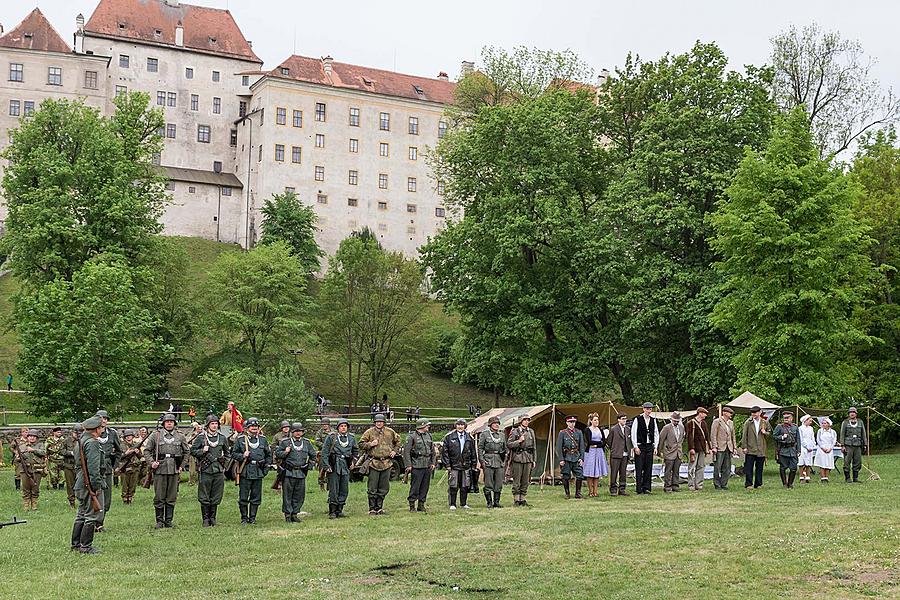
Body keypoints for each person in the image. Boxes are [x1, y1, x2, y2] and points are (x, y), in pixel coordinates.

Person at [144, 412, 190, 528]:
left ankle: (168, 520)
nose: (169, 424)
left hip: (174, 469)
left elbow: (186, 451)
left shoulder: (180, 436)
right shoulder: (156, 435)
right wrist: (151, 462)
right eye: (167, 422)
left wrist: (181, 466)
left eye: (171, 422)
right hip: (160, 468)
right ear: (163, 423)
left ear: (175, 423)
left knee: (171, 496)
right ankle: (159, 521)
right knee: (159, 496)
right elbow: (147, 451)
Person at [72, 416, 106, 554]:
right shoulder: (92, 443)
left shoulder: (81, 441)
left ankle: (76, 544)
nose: (102, 430)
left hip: (80, 482)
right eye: (101, 427)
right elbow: (93, 468)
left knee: (81, 514)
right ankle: (85, 546)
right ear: (97, 429)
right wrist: (96, 486)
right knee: (91, 515)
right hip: (88, 483)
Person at [231, 417, 271, 525]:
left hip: (258, 471)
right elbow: (233, 454)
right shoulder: (240, 440)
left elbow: (268, 455)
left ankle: (252, 518)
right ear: (247, 428)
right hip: (245, 471)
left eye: (256, 427)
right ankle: (244, 518)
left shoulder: (263, 439)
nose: (254, 428)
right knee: (243, 497)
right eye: (252, 427)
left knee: (256, 496)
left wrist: (266, 469)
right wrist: (242, 455)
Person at [359, 413, 401, 515]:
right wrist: (370, 444)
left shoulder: (390, 432)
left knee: (384, 487)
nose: (379, 423)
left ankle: (380, 508)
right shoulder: (369, 432)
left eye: (381, 422)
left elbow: (398, 441)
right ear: (374, 423)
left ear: (384, 422)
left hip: (387, 463)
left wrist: (395, 451)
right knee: (372, 487)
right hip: (374, 462)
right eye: (377, 422)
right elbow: (360, 444)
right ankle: (372, 508)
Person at [191, 414, 228, 527]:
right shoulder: (201, 437)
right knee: (204, 494)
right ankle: (205, 518)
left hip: (218, 470)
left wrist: (224, 463)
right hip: (206, 469)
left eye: (216, 423)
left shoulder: (222, 438)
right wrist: (202, 451)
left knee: (216, 494)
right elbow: (192, 451)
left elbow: (228, 453)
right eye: (212, 423)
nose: (214, 425)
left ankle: (213, 517)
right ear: (207, 425)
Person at [276, 422, 317, 522]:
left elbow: (313, 455)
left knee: (299, 494)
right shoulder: (286, 442)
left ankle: (295, 513)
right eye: (296, 431)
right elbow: (277, 454)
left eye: (300, 431)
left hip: (301, 472)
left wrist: (309, 466)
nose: (298, 433)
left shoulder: (307, 443)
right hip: (289, 472)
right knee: (288, 494)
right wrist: (285, 452)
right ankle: (288, 515)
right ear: (292, 432)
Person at [320, 418, 359, 519]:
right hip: (334, 465)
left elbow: (355, 451)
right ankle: (332, 511)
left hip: (345, 465)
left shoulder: (351, 438)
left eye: (345, 426)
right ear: (338, 428)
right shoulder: (331, 437)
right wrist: (326, 466)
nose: (343, 428)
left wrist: (353, 462)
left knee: (344, 488)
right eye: (341, 426)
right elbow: (324, 452)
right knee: (334, 488)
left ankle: (340, 510)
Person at [94, 410, 122, 530]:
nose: (104, 420)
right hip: (94, 467)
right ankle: (93, 522)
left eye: (106, 418)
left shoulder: (112, 433)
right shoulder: (92, 432)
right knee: (95, 495)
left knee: (107, 498)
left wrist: (115, 466)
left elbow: (119, 451)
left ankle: (100, 523)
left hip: (107, 467)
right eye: (101, 418)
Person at [442, 418, 476, 510]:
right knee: (453, 485)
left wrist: (474, 464)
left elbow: (473, 452)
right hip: (454, 465)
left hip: (466, 465)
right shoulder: (449, 437)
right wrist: (447, 465)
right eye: (458, 424)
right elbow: (445, 452)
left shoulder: (469, 438)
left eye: (462, 425)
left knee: (465, 485)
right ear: (455, 426)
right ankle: (452, 504)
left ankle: (463, 503)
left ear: (465, 426)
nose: (460, 426)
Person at [404, 418, 436, 512]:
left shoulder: (429, 436)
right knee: (415, 486)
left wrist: (433, 463)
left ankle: (421, 504)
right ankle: (412, 504)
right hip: (416, 464)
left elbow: (433, 451)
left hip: (427, 465)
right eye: (427, 425)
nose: (428, 427)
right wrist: (408, 465)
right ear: (422, 426)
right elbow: (406, 452)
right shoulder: (411, 437)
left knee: (425, 486)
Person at [506, 415, 536, 506]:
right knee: (517, 480)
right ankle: (516, 499)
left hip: (528, 458)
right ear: (520, 421)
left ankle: (522, 499)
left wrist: (534, 459)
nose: (526, 422)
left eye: (528, 420)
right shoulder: (515, 431)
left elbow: (534, 446)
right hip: (517, 458)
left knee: (526, 480)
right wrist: (519, 441)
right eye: (525, 420)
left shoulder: (531, 431)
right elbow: (509, 444)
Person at [477, 416, 506, 508]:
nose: (497, 425)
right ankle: (489, 502)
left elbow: (505, 448)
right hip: (488, 460)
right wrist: (482, 460)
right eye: (494, 423)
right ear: (490, 425)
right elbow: (480, 448)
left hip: (499, 461)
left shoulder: (502, 435)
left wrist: (504, 459)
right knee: (488, 483)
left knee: (499, 483)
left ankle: (496, 502)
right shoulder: (484, 434)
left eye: (498, 423)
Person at [631, 402, 659, 494]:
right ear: (643, 409)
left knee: (648, 467)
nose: (648, 411)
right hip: (640, 445)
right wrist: (635, 446)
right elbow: (633, 434)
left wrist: (655, 446)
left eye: (650, 409)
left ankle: (647, 488)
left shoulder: (653, 420)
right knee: (639, 467)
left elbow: (656, 434)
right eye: (647, 409)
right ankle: (639, 488)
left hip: (649, 446)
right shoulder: (637, 419)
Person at [15, 429, 46, 511]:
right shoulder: (21, 446)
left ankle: (34, 505)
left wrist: (33, 450)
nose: (32, 438)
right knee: (25, 488)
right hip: (24, 470)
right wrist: (18, 458)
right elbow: (16, 459)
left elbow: (44, 453)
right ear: (27, 437)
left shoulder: (40, 445)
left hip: (37, 469)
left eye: (34, 436)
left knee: (35, 487)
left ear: (36, 438)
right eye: (30, 436)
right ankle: (26, 505)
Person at [556, 416, 585, 500]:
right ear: (567, 423)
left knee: (579, 475)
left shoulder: (579, 432)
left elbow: (582, 447)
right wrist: (561, 459)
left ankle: (578, 493)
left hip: (576, 457)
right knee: (566, 476)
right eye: (570, 422)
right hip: (566, 457)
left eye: (574, 422)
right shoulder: (562, 433)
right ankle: (567, 493)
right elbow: (559, 447)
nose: (572, 424)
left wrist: (581, 458)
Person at [741, 406, 769, 490]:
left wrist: (765, 433)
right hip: (750, 448)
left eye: (755, 413)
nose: (753, 415)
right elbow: (744, 435)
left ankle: (758, 484)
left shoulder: (764, 422)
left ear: (760, 412)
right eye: (752, 413)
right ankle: (748, 484)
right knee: (749, 467)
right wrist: (744, 446)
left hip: (761, 449)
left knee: (759, 468)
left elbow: (770, 433)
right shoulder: (748, 422)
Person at [710, 406, 737, 490]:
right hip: (719, 447)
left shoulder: (731, 423)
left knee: (727, 467)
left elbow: (733, 436)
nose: (731, 414)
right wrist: (714, 446)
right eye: (729, 413)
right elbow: (713, 435)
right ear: (724, 413)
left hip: (728, 447)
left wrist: (734, 447)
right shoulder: (717, 421)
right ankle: (717, 484)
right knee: (717, 467)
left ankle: (724, 483)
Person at [583, 412, 608, 498]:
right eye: (595, 420)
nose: (597, 421)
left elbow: (604, 442)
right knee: (590, 473)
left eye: (597, 420)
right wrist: (598, 443)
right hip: (590, 453)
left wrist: (597, 445)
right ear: (591, 421)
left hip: (599, 452)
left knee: (597, 473)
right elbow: (589, 441)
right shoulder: (587, 430)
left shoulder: (600, 430)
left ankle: (595, 491)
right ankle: (590, 491)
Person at [658, 412, 685, 493]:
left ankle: (675, 486)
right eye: (675, 421)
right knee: (668, 471)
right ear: (671, 420)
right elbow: (661, 439)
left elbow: (681, 439)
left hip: (678, 452)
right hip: (669, 452)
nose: (676, 422)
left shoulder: (681, 427)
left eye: (677, 421)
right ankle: (667, 487)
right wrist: (659, 451)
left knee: (676, 470)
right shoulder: (666, 428)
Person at [685, 407, 710, 491]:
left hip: (702, 448)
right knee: (692, 467)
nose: (705, 415)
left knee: (701, 467)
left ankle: (699, 485)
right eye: (704, 413)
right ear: (700, 413)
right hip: (694, 448)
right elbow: (689, 437)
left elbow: (707, 436)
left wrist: (708, 448)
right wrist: (691, 448)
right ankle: (691, 485)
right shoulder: (691, 423)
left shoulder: (704, 423)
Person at [839, 407, 867, 483]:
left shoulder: (860, 422)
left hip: (858, 445)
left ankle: (855, 478)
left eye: (853, 412)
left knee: (858, 461)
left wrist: (865, 444)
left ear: (856, 414)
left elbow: (863, 433)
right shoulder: (845, 422)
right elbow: (842, 434)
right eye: (850, 412)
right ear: (848, 414)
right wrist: (842, 445)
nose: (852, 413)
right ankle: (847, 478)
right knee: (847, 462)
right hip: (848, 445)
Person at [606, 413, 632, 496]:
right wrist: (614, 449)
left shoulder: (628, 429)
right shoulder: (614, 429)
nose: (624, 420)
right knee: (614, 472)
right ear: (618, 419)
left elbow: (629, 441)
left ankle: (622, 489)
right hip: (616, 453)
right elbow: (609, 441)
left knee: (623, 473)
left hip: (625, 454)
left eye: (625, 418)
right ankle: (613, 489)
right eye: (623, 418)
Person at [773, 411, 801, 488]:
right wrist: (781, 437)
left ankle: (790, 483)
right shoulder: (779, 427)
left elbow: (798, 439)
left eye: (787, 417)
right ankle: (784, 483)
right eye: (784, 418)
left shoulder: (795, 427)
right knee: (783, 467)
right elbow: (774, 436)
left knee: (793, 468)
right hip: (783, 450)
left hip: (793, 450)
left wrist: (798, 450)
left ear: (791, 418)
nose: (786, 419)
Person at [117, 429, 142, 504]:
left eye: (130, 436)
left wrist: (138, 453)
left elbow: (140, 456)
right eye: (127, 436)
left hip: (135, 466)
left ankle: (131, 497)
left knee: (133, 484)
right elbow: (118, 457)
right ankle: (125, 498)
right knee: (125, 484)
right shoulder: (121, 445)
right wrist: (126, 453)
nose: (128, 437)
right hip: (125, 467)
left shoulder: (136, 445)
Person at [62, 426, 81, 508]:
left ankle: (81, 500)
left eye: (79, 433)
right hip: (69, 466)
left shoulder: (82, 440)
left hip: (80, 466)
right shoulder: (66, 441)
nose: (77, 435)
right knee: (70, 485)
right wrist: (70, 453)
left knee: (81, 484)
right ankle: (72, 501)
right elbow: (61, 451)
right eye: (75, 433)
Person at [814, 417, 838, 482]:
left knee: (828, 463)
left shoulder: (833, 432)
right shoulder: (820, 431)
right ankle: (822, 477)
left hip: (829, 448)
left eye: (825, 423)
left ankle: (826, 477)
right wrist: (822, 447)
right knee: (822, 463)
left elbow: (834, 441)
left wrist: (830, 448)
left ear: (828, 424)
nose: (823, 425)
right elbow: (818, 440)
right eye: (822, 423)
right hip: (822, 449)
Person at [271, 420, 291, 491]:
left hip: (290, 457)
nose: (286, 428)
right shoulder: (277, 436)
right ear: (282, 428)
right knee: (280, 472)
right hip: (280, 457)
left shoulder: (292, 435)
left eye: (287, 427)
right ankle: (278, 486)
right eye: (284, 427)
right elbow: (273, 446)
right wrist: (281, 448)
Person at [45, 426, 66, 491]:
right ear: (54, 433)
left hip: (61, 459)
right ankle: (54, 486)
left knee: (62, 474)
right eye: (58, 432)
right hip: (52, 459)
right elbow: (46, 449)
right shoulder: (49, 440)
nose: (59, 433)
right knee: (53, 474)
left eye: (60, 432)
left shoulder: (63, 440)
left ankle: (61, 486)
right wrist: (45, 456)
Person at [797, 414, 817, 483]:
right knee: (801, 462)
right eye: (810, 421)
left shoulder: (811, 428)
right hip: (803, 447)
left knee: (808, 462)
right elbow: (801, 439)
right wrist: (806, 446)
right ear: (805, 420)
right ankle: (801, 476)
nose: (811, 422)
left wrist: (813, 445)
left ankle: (807, 476)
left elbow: (812, 437)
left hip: (810, 446)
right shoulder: (800, 428)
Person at [315, 417, 332, 492]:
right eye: (323, 424)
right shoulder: (319, 433)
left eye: (326, 424)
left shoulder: (333, 432)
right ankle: (321, 485)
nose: (324, 426)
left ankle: (330, 485)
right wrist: (325, 446)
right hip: (322, 453)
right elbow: (317, 442)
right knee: (322, 470)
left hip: (332, 453)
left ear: (329, 425)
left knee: (331, 470)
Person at [185, 421, 203, 486]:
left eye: (201, 428)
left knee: (200, 468)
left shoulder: (203, 436)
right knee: (192, 469)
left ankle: (200, 481)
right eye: (198, 428)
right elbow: (187, 442)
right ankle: (192, 481)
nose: (200, 429)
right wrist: (191, 446)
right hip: (193, 454)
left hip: (200, 453)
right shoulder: (193, 435)